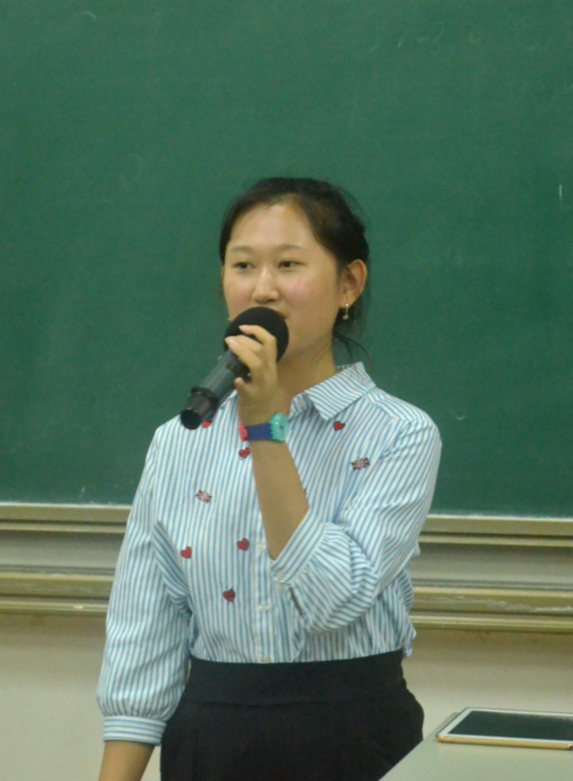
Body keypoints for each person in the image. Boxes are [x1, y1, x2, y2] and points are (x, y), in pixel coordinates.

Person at [96, 178, 443, 781]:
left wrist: (264, 429)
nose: (262, 288)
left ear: (349, 284)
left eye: (288, 265)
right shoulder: (181, 437)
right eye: (243, 265)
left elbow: (333, 600)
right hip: (210, 736)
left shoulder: (398, 433)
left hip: (351, 735)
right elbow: (146, 631)